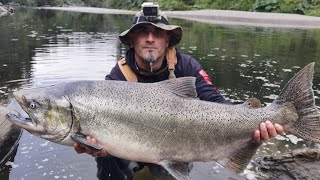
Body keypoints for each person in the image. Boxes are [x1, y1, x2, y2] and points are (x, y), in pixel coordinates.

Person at [74, 4, 284, 180]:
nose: (150, 38)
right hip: (128, 142)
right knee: (106, 157)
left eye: (157, 33)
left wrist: (254, 121)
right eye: (142, 32)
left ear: (167, 41)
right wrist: (92, 143)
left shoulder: (187, 66)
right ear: (132, 40)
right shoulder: (117, 75)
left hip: (176, 145)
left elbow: (217, 103)